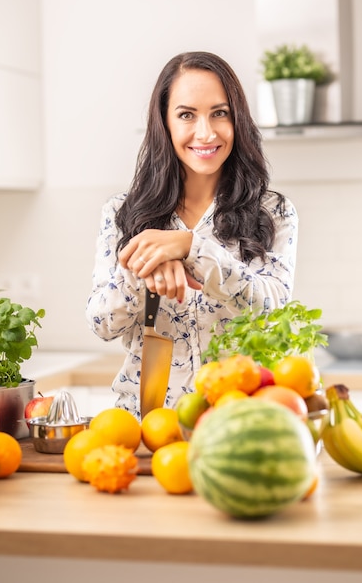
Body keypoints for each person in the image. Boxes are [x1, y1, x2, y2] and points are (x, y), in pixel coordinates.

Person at [86, 51, 298, 419]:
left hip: (240, 420)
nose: (206, 132)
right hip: (146, 426)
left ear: (238, 121)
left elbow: (273, 308)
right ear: (164, 123)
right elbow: (102, 324)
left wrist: (190, 247)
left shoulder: (273, 211)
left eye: (220, 113)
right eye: (187, 115)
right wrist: (146, 266)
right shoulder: (122, 213)